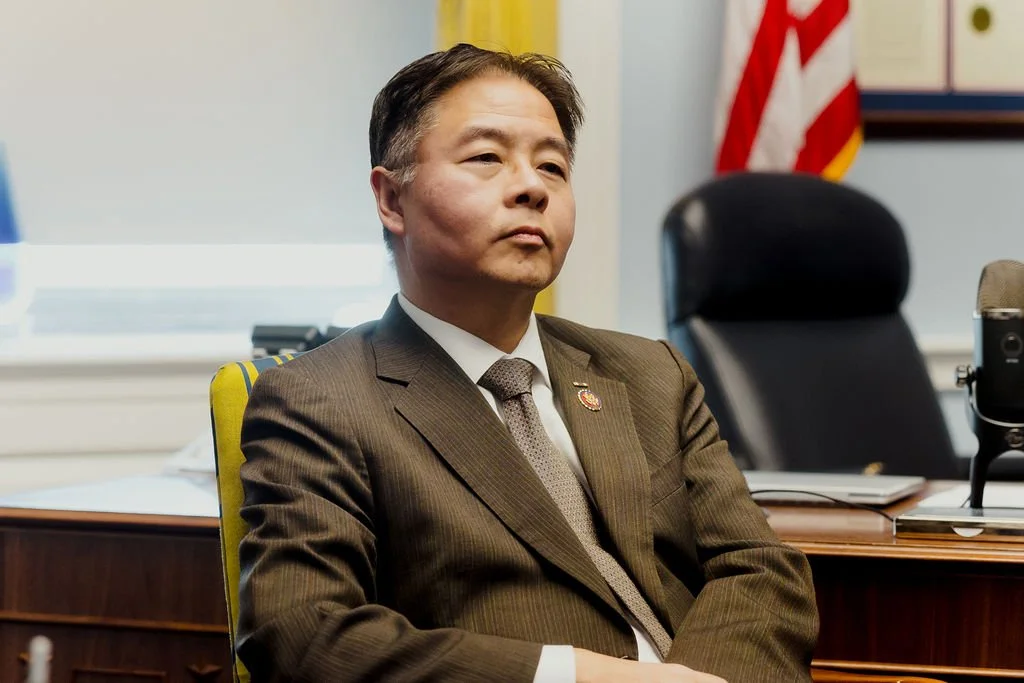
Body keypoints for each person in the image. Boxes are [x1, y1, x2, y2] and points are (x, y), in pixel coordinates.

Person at [237, 43, 818, 683]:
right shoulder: (320, 399)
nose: (531, 188)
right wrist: (578, 677)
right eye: (487, 158)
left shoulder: (650, 373)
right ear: (392, 200)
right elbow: (304, 635)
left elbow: (760, 569)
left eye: (553, 166)